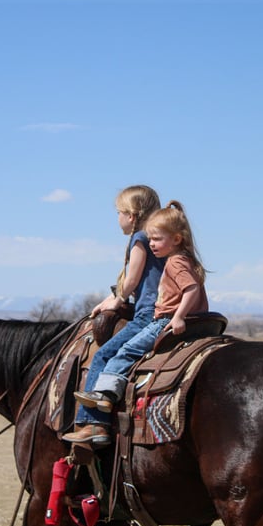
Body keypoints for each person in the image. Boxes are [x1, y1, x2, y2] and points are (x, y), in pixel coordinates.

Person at [65, 200, 208, 447]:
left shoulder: (173, 261)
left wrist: (178, 316)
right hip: (179, 317)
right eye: (150, 239)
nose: (151, 243)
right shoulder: (182, 258)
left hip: (160, 319)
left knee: (122, 352)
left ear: (176, 238)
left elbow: (191, 288)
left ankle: (104, 397)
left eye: (156, 239)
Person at [67, 185, 165, 448]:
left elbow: (132, 279)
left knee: (102, 355)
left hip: (148, 313)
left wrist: (117, 298)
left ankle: (93, 424)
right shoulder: (162, 238)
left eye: (119, 212)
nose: (117, 218)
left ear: (131, 216)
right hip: (165, 309)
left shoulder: (140, 239)